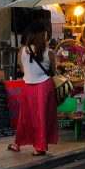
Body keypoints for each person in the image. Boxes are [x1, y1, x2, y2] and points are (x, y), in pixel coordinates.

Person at [8, 21, 58, 156]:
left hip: (27, 86)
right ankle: (40, 147)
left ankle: (17, 144)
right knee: (41, 117)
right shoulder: (50, 52)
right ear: (43, 35)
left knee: (25, 117)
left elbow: (23, 69)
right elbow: (53, 71)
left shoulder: (22, 51)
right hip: (44, 86)